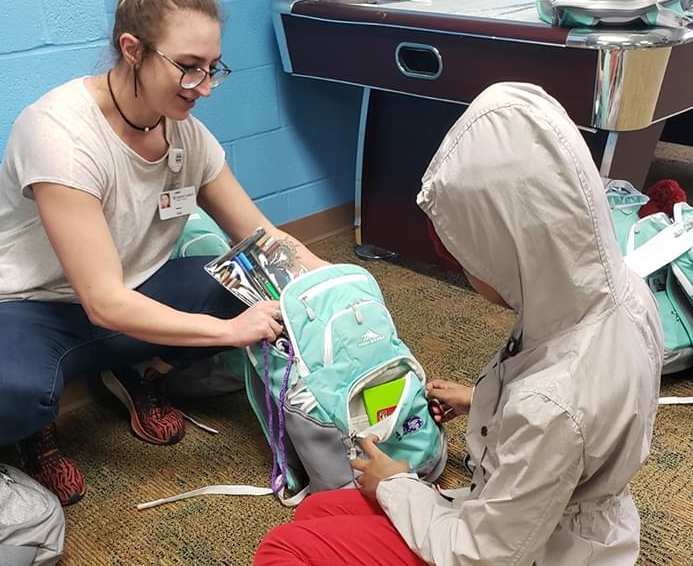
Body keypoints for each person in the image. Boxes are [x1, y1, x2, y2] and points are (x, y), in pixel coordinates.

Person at [0, 0, 325, 506]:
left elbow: (263, 239)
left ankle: (140, 374)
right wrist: (228, 334)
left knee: (251, 286)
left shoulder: (187, 135)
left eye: (214, 67)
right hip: (35, 307)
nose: (204, 87)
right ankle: (35, 430)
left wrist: (338, 284)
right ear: (132, 51)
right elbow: (101, 302)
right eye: (189, 67)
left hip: (132, 295)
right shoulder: (59, 133)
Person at [254, 82, 663, 565]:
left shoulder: (551, 403)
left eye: (468, 252)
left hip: (525, 548)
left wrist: (396, 486)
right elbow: (596, 413)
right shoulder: (622, 293)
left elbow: (486, 553)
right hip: (569, 520)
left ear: (514, 245)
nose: (466, 269)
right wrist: (485, 400)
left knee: (284, 549)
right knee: (320, 512)